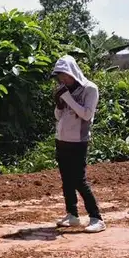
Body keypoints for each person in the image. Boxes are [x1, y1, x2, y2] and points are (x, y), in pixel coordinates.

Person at [52, 55, 105, 233]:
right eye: (60, 76)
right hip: (62, 138)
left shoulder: (90, 89)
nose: (63, 79)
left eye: (65, 75)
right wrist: (59, 104)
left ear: (73, 71)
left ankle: (96, 217)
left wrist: (67, 99)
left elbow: (87, 115)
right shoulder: (64, 90)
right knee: (66, 179)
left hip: (78, 140)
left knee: (79, 180)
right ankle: (72, 215)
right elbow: (59, 117)